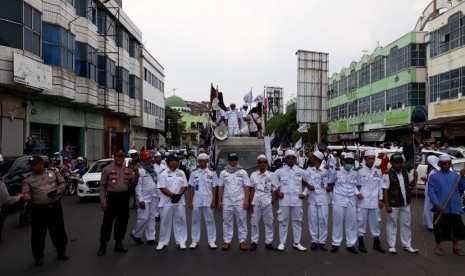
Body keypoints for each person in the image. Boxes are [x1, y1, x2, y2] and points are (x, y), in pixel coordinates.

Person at [22, 155, 69, 266]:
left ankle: (61, 251)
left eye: (35, 165)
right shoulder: (27, 180)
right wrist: (25, 197)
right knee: (38, 234)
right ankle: (38, 257)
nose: (33, 167)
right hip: (39, 210)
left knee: (58, 231)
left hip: (54, 207)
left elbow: (62, 183)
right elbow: (27, 194)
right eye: (31, 165)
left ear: (41, 164)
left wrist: (58, 191)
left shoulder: (53, 173)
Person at [97, 149, 134, 256]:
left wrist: (135, 176)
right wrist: (103, 201)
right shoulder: (107, 170)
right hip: (112, 198)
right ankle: (103, 245)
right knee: (107, 222)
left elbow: (131, 183)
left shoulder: (127, 170)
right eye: (118, 156)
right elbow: (103, 186)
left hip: (124, 198)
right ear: (114, 157)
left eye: (122, 156)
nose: (120, 158)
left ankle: (119, 243)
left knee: (122, 221)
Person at [428, 154, 465, 256]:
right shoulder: (434, 176)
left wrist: (463, 177)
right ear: (440, 164)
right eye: (444, 163)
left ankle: (455, 247)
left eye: (449, 163)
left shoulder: (456, 175)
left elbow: (462, 188)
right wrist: (437, 204)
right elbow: (431, 192)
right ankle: (438, 247)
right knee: (439, 228)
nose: (447, 165)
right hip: (441, 207)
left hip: (454, 206)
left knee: (456, 228)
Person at [382, 153, 419, 254]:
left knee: (406, 224)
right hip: (393, 204)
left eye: (400, 162)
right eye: (396, 162)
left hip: (405, 203)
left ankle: (407, 245)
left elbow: (412, 184)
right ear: (392, 163)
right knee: (392, 225)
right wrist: (387, 205)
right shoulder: (387, 174)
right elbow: (385, 190)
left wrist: (416, 178)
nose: (399, 164)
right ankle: (391, 245)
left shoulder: (405, 171)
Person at [274, 149, 308, 252]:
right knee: (283, 222)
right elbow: (272, 182)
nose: (291, 159)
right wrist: (277, 192)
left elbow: (309, 183)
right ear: (285, 159)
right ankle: (282, 243)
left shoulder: (301, 171)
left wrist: (304, 193)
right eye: (289, 157)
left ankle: (297, 243)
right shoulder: (280, 171)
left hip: (297, 201)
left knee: (297, 222)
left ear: (295, 159)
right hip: (284, 201)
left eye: (293, 157)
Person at [328, 153, 360, 254]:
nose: (349, 163)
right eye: (348, 161)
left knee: (351, 223)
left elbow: (357, 185)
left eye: (351, 161)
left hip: (351, 200)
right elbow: (330, 183)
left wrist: (357, 193)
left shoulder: (355, 172)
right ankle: (336, 244)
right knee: (338, 222)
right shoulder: (336, 172)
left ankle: (350, 244)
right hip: (339, 199)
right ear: (343, 161)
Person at [217, 152, 251, 251]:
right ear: (228, 161)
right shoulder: (223, 173)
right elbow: (220, 187)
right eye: (231, 160)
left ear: (237, 160)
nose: (233, 161)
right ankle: (227, 241)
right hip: (227, 200)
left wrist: (246, 201)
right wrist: (219, 201)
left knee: (242, 221)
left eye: (235, 159)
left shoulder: (243, 172)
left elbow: (246, 187)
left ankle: (242, 241)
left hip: (240, 200)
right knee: (226, 221)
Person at [356, 150, 386, 253]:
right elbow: (354, 185)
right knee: (361, 222)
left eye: (373, 158)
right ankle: (361, 243)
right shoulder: (359, 171)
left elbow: (380, 186)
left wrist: (381, 199)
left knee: (376, 222)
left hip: (374, 201)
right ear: (365, 159)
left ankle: (376, 243)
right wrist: (357, 193)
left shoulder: (378, 170)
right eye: (369, 158)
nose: (372, 160)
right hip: (362, 201)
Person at [156, 155, 188, 250]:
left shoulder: (181, 172)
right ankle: (162, 242)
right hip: (166, 202)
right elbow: (162, 187)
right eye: (176, 160)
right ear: (170, 162)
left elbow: (184, 185)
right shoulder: (163, 174)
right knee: (165, 222)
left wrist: (178, 195)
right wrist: (172, 195)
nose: (178, 162)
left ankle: (181, 241)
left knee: (180, 221)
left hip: (179, 201)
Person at [188, 153, 218, 249]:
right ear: (198, 162)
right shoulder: (194, 173)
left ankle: (212, 241)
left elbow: (214, 188)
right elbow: (192, 188)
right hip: (197, 200)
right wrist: (190, 201)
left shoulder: (212, 173)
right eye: (200, 161)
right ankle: (195, 240)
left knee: (210, 221)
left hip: (208, 200)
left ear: (207, 162)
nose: (202, 163)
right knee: (195, 221)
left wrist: (214, 201)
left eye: (204, 161)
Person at [249, 154, 279, 251]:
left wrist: (273, 200)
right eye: (260, 162)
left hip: (267, 201)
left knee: (269, 222)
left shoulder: (271, 175)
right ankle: (254, 242)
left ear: (267, 164)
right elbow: (252, 190)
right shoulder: (253, 175)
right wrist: (250, 204)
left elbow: (276, 188)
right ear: (257, 164)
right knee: (254, 222)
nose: (262, 164)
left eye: (264, 162)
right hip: (256, 201)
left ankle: (269, 242)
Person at [304, 151, 331, 251]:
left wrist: (329, 186)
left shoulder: (326, 170)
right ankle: (314, 241)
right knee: (312, 220)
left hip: (324, 198)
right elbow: (305, 181)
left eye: (312, 157)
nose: (310, 158)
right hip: (312, 199)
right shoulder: (309, 170)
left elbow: (333, 180)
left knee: (323, 220)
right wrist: (306, 189)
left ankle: (322, 242)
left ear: (316, 159)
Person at [130, 150, 158, 245]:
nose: (149, 159)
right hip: (144, 198)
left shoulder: (152, 168)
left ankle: (151, 237)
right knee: (143, 218)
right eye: (147, 158)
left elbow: (155, 182)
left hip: (154, 196)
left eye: (150, 157)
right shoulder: (139, 169)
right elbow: (137, 186)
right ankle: (135, 234)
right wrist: (140, 199)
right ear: (142, 159)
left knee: (151, 218)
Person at [423, 155, 440, 232]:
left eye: (428, 161)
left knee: (431, 209)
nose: (427, 163)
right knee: (427, 208)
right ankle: (429, 224)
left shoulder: (437, 171)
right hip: (428, 193)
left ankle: (431, 225)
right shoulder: (432, 171)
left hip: (432, 193)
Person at [153, 151, 167, 221]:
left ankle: (162, 214)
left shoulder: (164, 167)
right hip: (155, 186)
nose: (158, 159)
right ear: (154, 159)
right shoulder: (152, 167)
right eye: (157, 158)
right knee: (156, 201)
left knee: (163, 200)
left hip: (163, 186)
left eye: (159, 157)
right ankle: (156, 214)